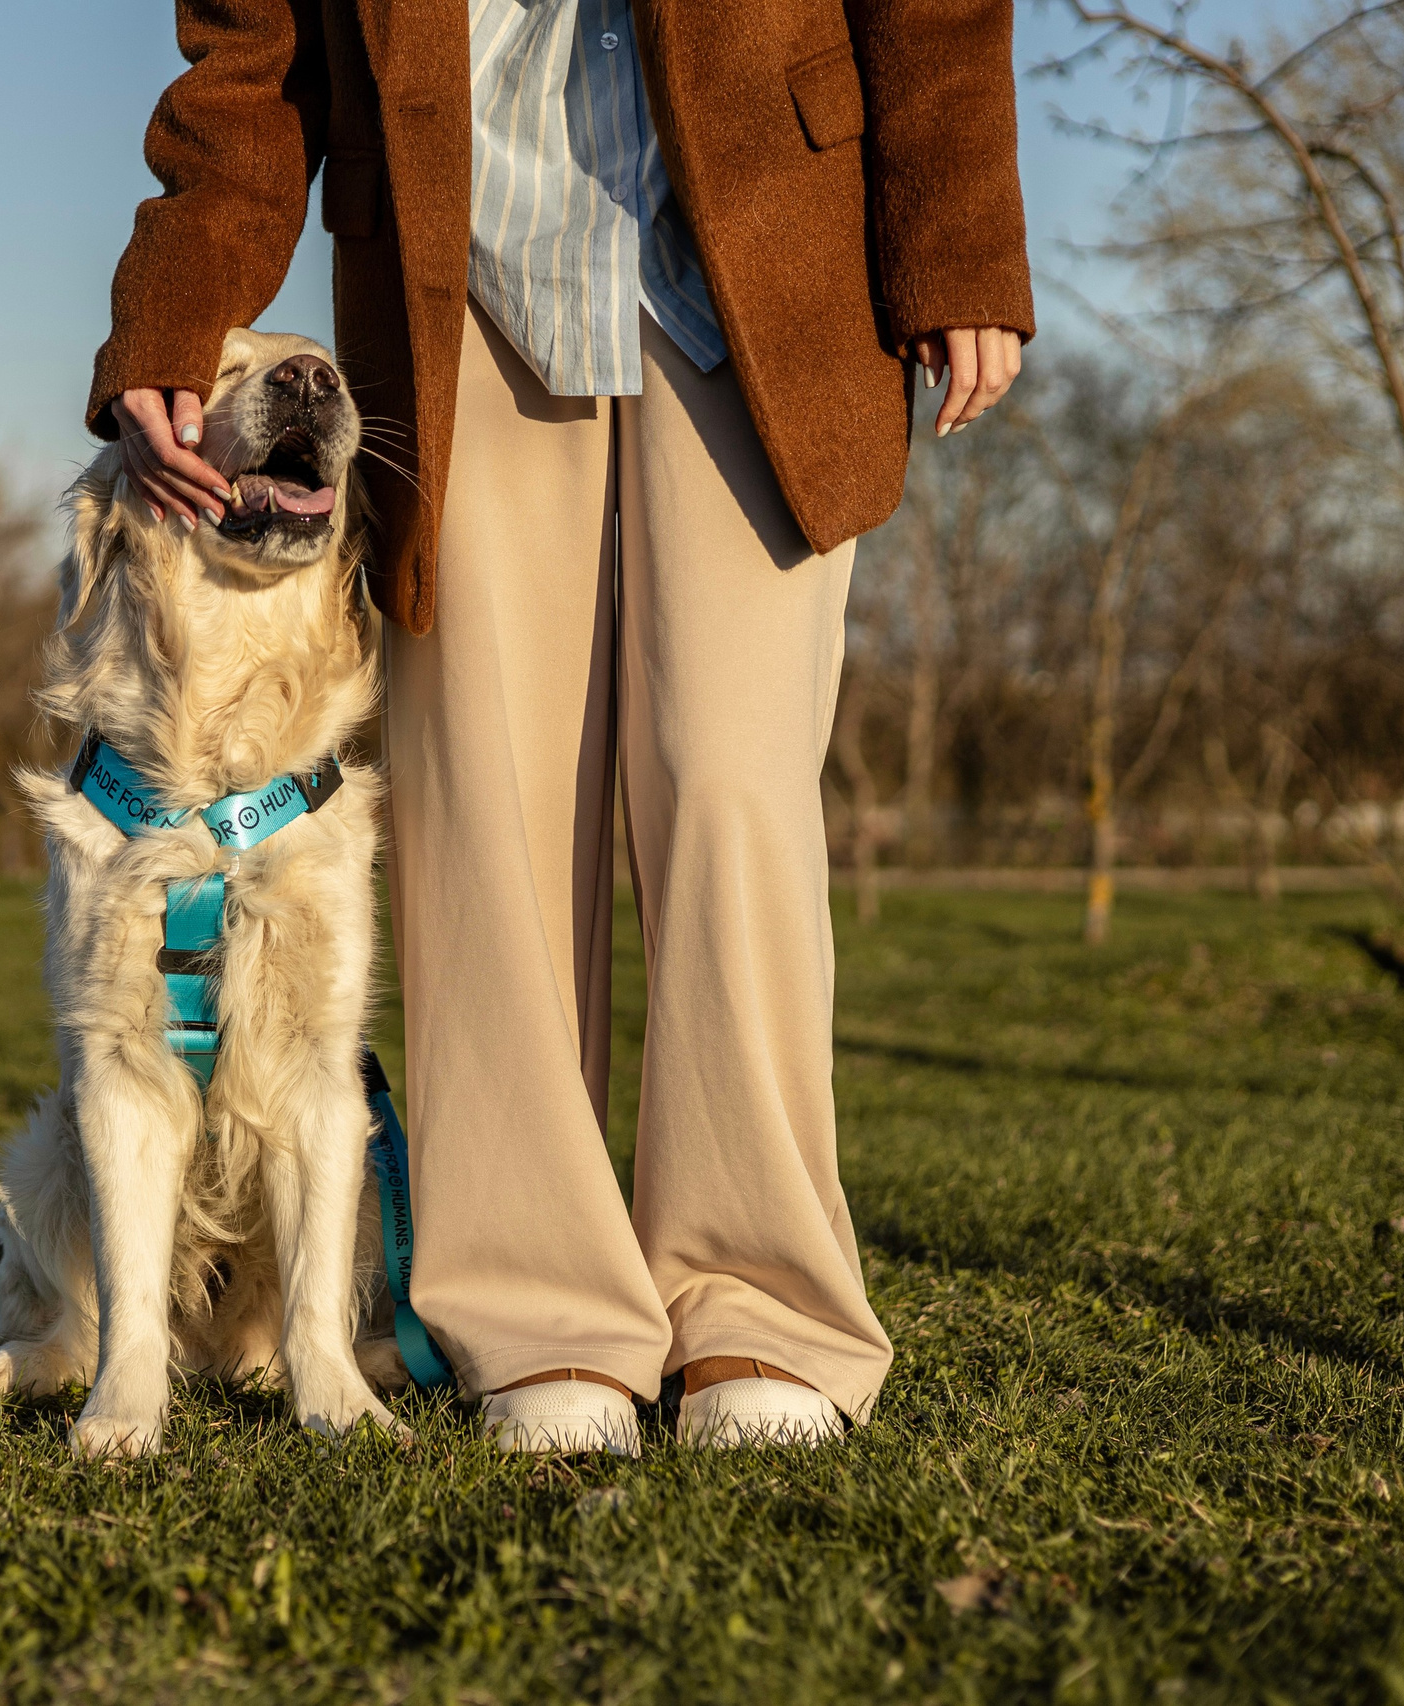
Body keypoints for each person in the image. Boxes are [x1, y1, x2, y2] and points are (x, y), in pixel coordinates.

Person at [89, 0, 1031, 1454]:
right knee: (492, 808)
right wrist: (170, 309)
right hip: (457, 272)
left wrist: (956, 235)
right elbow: (252, 57)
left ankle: (759, 1305)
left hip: (760, 248)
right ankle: (538, 1310)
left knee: (729, 785)